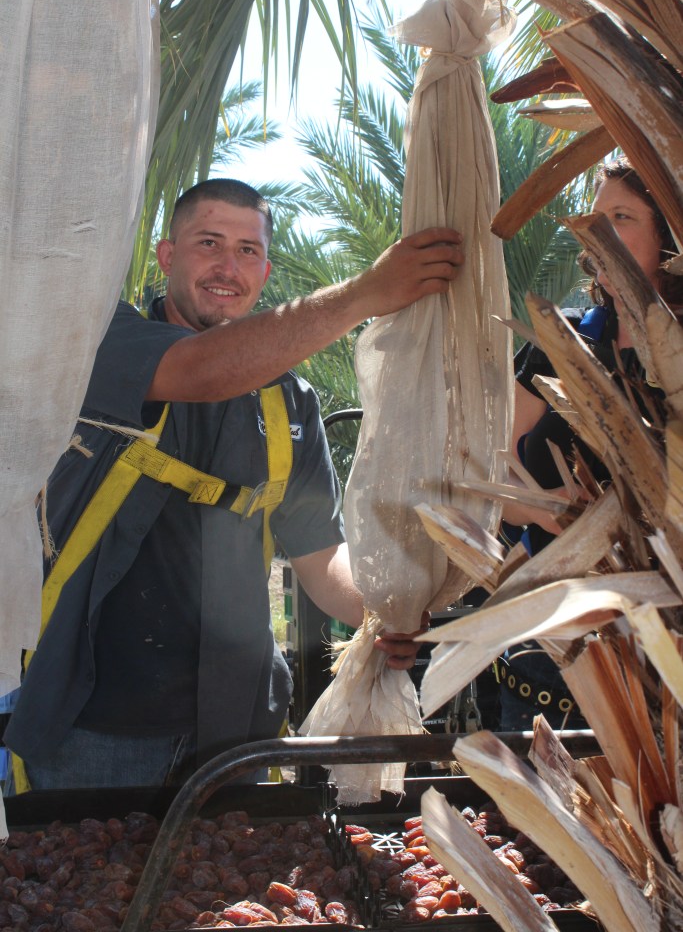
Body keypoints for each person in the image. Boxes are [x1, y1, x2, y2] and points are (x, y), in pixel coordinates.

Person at [4, 178, 464, 791]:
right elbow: (205, 368)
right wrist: (366, 294)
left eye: (247, 251)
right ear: (169, 256)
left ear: (266, 270)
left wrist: (388, 612)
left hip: (237, 731)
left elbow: (322, 560)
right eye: (209, 243)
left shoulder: (290, 404)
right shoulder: (102, 344)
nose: (228, 267)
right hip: (92, 729)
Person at [498, 155, 681, 730]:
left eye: (621, 217)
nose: (593, 232)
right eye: (593, 216)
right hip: (546, 648)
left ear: (669, 238)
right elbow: (488, 472)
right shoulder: (561, 340)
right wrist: (556, 516)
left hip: (663, 655)